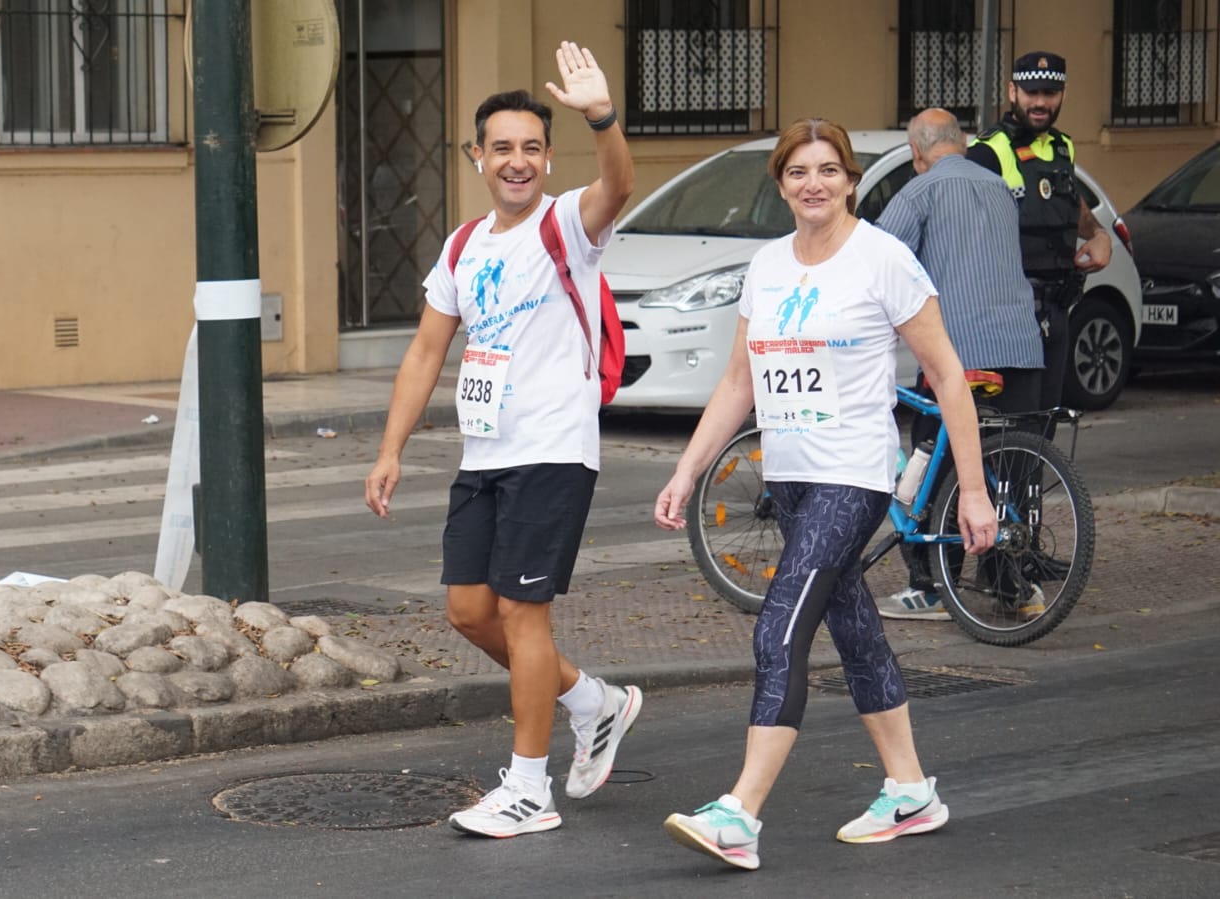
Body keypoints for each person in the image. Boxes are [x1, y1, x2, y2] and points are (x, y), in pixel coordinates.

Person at [652, 118, 997, 871]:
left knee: (778, 626)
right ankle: (909, 790)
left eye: (828, 170)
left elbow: (945, 372)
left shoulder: (882, 261)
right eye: (798, 171)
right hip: (793, 477)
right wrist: (687, 470)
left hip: (854, 473)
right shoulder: (768, 266)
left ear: (849, 180)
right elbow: (739, 381)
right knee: (853, 629)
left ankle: (740, 812)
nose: (813, 183)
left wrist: (971, 488)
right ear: (780, 184)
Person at [363, 41, 641, 839]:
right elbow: (425, 351)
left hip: (553, 447)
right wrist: (391, 449)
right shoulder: (461, 245)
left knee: (523, 614)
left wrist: (601, 117)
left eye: (530, 148)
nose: (515, 162)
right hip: (485, 451)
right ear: (476, 156)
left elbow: (617, 183)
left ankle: (528, 788)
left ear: (548, 158)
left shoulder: (567, 223)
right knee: (465, 609)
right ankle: (595, 702)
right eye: (501, 149)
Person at [874, 108, 1043, 621]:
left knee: (938, 463)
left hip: (958, 355)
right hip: (1021, 349)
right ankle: (1012, 585)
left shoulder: (918, 192)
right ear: (964, 143)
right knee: (1009, 471)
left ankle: (929, 587)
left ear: (916, 154)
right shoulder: (999, 189)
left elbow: (877, 260)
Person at [967, 52, 1113, 426]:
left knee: (1045, 425)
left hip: (1058, 309)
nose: (1041, 102)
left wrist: (1097, 234)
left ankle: (1029, 486)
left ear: (1063, 94)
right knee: (1014, 428)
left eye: (1050, 93)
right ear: (1012, 91)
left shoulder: (1063, 147)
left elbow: (1069, 203)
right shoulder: (988, 151)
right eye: (1032, 92)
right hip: (1011, 314)